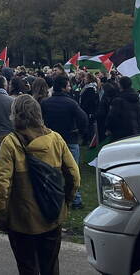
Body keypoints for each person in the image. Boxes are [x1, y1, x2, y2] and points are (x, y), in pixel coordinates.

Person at [0, 94, 81, 275]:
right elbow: (74, 175)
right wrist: (66, 202)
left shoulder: (10, 143)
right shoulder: (56, 139)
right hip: (52, 216)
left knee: (27, 268)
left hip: (22, 220)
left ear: (15, 114)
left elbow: (2, 184)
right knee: (50, 267)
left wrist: (1, 214)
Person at [40, 75, 88, 209]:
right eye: (68, 85)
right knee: (72, 171)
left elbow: (39, 120)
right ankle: (75, 199)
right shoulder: (71, 103)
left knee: (50, 170)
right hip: (70, 140)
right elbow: (83, 119)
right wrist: (81, 133)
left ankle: (50, 196)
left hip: (50, 140)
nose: (70, 87)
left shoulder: (45, 103)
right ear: (63, 87)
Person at [106, 76, 140, 142]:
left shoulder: (118, 101)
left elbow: (112, 118)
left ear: (120, 85)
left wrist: (109, 128)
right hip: (137, 134)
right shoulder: (138, 101)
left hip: (121, 136)